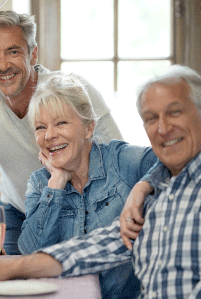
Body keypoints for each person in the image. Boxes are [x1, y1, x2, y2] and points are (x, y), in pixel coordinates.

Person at [0, 65, 201, 298]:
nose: (162, 128)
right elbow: (96, 247)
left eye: (175, 112)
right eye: (151, 118)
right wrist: (9, 267)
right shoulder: (166, 192)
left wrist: (141, 186)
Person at [0, 11, 123, 255]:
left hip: (72, 208)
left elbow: (116, 154)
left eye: (13, 51)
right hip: (16, 210)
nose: (2, 65)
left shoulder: (73, 89)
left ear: (33, 54)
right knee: (14, 284)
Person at [17, 73, 157, 298]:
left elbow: (173, 160)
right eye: (40, 127)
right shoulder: (40, 182)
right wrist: (56, 184)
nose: (50, 135)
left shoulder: (123, 161)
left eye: (61, 123)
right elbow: (30, 252)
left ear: (89, 128)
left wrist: (143, 185)